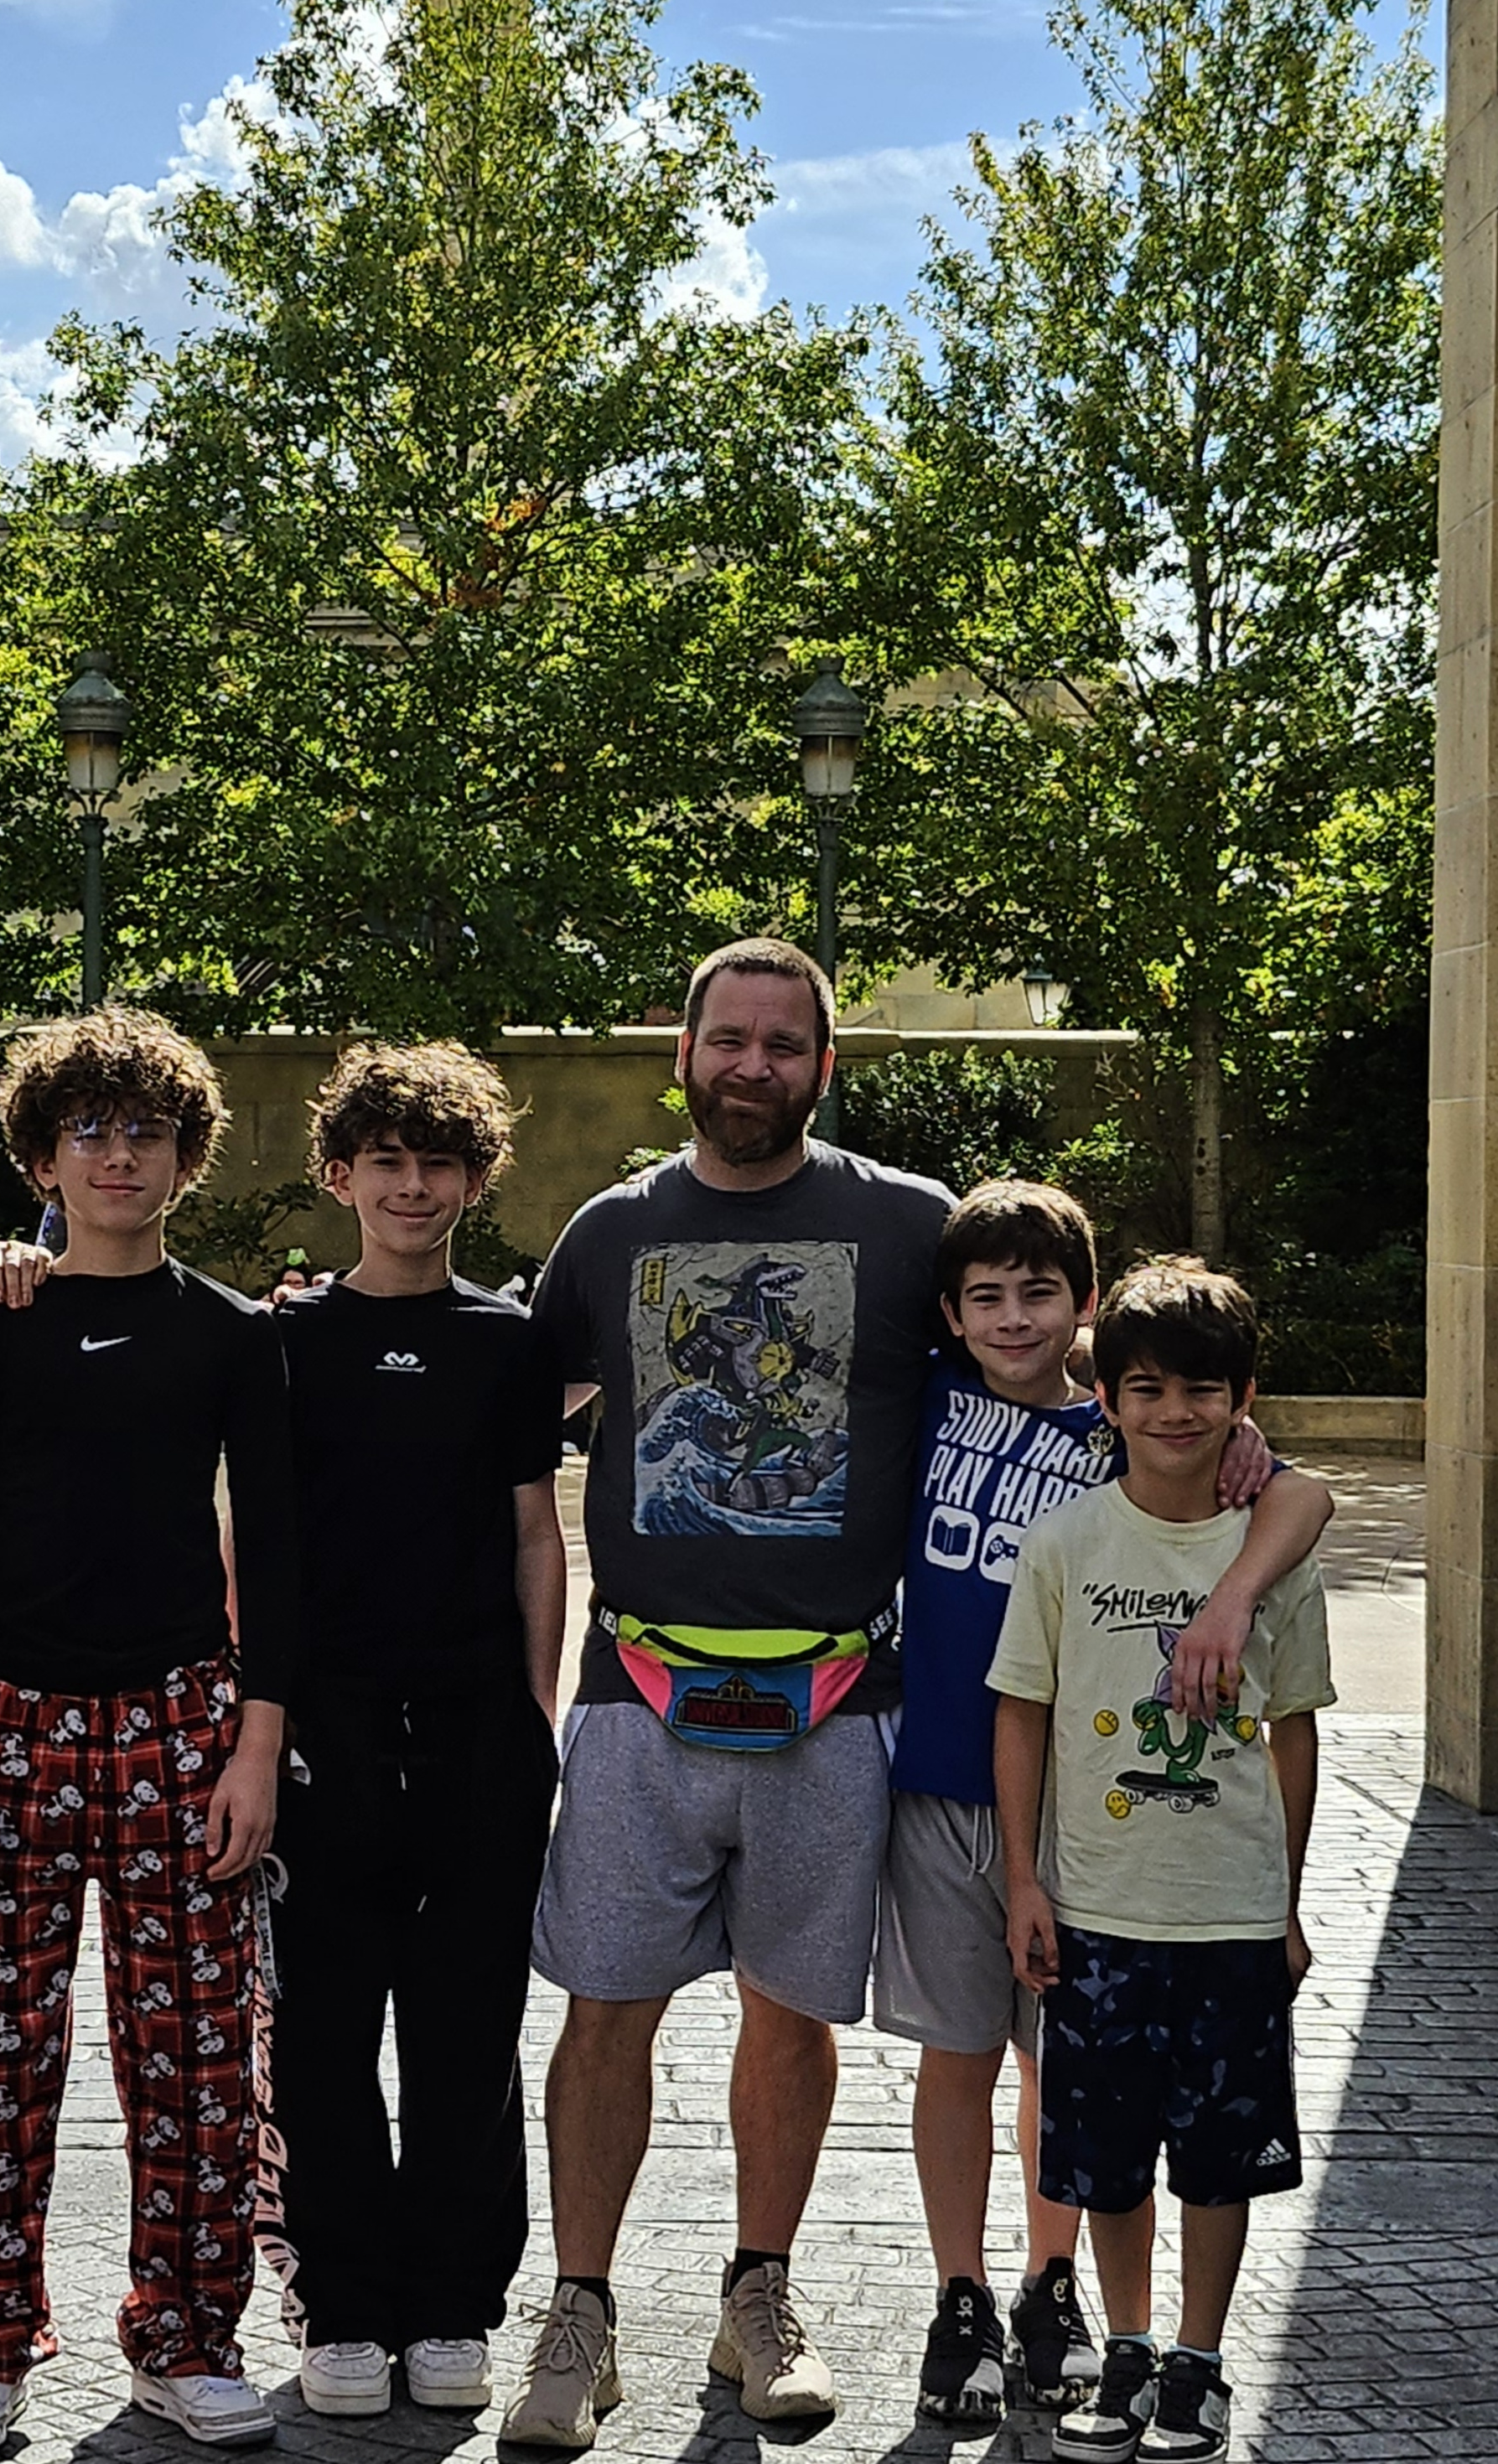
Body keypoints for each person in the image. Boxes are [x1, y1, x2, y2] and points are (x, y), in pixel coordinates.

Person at [500, 937, 955, 2447]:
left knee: (791, 2014)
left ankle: (759, 2294)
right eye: (729, 1039)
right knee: (603, 2011)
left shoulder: (909, 1225)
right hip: (637, 1695)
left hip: (838, 1701)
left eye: (783, 1044)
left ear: (824, 1064)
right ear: (681, 1053)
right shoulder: (611, 1230)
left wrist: (1215, 1442)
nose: (752, 1066)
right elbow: (494, 1411)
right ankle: (579, 2313)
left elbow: (1032, 1361)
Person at [879, 1183, 1334, 2427]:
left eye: (1041, 1294)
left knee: (1067, 2071)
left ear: (1081, 1305)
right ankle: (963, 2294)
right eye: (986, 1297)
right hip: (948, 1780)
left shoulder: (1132, 1422)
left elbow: (1300, 1494)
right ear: (952, 1313)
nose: (1013, 1318)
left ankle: (1057, 2287)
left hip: (1098, 1828)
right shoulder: (929, 1391)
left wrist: (1244, 1503)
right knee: (959, 2052)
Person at [0, 1007, 299, 2455]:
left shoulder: (232, 1334)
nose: (117, 1155)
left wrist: (256, 1741)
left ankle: (186, 2337)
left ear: (187, 1158)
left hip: (182, 1721)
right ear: (41, 1158)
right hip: (6, 1724)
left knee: (195, 2058)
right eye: (87, 1130)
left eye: (146, 1131)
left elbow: (277, 1552)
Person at [992, 1257, 1331, 2464]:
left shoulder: (1271, 1558)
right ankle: (1127, 2348)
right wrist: (1025, 1881)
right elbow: (1021, 1711)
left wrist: (1286, 1902)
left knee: (1219, 2162)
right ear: (1109, 1401)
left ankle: (1198, 2361)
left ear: (1244, 1400)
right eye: (1147, 1389)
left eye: (1201, 1389)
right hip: (1097, 1911)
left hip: (1231, 1918)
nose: (1175, 1412)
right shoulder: (1066, 1543)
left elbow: (1294, 1733)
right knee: (1109, 2158)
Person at [272, 1043, 564, 2420]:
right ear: (339, 1176)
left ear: (474, 1180)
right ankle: (342, 2309)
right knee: (323, 2035)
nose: (410, 1186)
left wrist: (534, 1716)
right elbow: (256, 1549)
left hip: (474, 1731)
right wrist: (261, 1721)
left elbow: (534, 1534)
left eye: (436, 1163)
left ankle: (452, 2307)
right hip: (321, 1732)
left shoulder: (509, 1343)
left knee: (466, 2034)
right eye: (384, 1161)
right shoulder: (284, 1344)